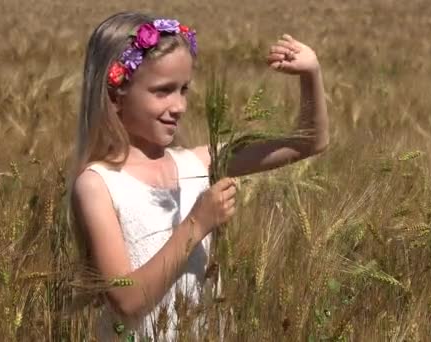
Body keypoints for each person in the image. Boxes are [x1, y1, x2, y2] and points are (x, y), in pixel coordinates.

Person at [69, 11, 328, 341]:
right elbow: (127, 300)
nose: (179, 106)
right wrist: (197, 223)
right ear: (116, 94)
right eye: (163, 91)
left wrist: (311, 73)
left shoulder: (200, 163)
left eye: (184, 89)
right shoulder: (98, 184)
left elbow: (308, 141)